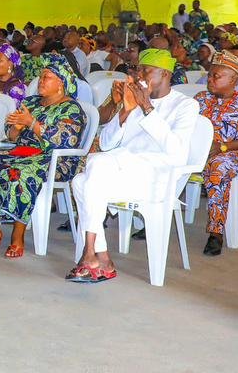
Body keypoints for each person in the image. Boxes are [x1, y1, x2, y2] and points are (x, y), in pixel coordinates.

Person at [67, 49, 199, 282]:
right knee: (81, 180)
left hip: (156, 178)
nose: (139, 76)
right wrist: (125, 112)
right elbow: (107, 143)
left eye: (146, 70)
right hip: (121, 170)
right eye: (138, 70)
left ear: (165, 74)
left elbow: (177, 154)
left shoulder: (185, 106)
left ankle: (92, 255)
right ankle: (101, 257)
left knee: (94, 167)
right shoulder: (134, 102)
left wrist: (147, 107)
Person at [0, 63, 87, 258]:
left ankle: (17, 235)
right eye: (41, 76)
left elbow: (65, 142)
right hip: (22, 152)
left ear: (61, 84)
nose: (41, 80)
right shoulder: (30, 102)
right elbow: (12, 135)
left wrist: (31, 123)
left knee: (20, 174)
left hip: (55, 159)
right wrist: (18, 128)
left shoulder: (71, 109)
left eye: (47, 77)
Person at [193, 52, 238, 256]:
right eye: (209, 75)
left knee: (218, 168)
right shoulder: (199, 99)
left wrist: (222, 147)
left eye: (217, 76)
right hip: (199, 151)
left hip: (232, 154)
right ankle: (157, 217)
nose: (210, 79)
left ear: (234, 79)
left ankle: (216, 232)